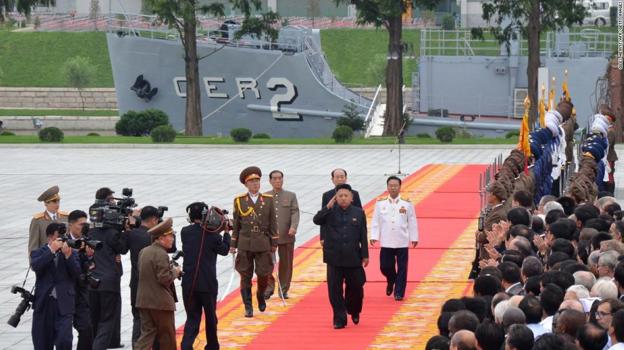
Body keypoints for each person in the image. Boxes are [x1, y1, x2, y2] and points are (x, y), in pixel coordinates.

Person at [313, 183, 369, 329]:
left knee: (356, 287)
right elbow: (316, 220)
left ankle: (354, 310)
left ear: (352, 198)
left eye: (346, 196)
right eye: (340, 196)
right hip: (334, 258)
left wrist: (365, 255)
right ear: (335, 198)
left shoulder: (358, 212)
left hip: (353, 257)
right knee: (334, 290)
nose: (343, 198)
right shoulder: (330, 211)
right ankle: (339, 318)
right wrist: (327, 207)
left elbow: (363, 235)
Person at [180, 202, 231, 350]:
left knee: (192, 317)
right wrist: (226, 232)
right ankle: (212, 346)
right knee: (210, 318)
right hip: (207, 284)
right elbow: (224, 250)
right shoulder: (212, 235)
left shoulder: (185, 232)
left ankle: (186, 346)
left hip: (189, 283)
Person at [230, 166, 278, 317]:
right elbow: (236, 224)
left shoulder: (268, 200)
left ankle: (260, 295)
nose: (255, 184)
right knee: (245, 275)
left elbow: (273, 223)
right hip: (245, 243)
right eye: (252, 182)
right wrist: (233, 244)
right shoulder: (239, 201)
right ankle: (248, 306)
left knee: (264, 274)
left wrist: (274, 242)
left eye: (257, 181)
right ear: (246, 184)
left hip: (263, 243)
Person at [87, 189, 129, 350]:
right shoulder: (112, 233)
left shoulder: (90, 231)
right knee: (108, 319)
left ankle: (100, 344)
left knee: (95, 318)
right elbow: (124, 248)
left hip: (92, 281)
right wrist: (125, 231)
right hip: (109, 281)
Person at [31, 222, 81, 350]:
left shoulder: (71, 252)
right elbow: (36, 266)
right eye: (57, 237)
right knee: (42, 341)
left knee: (64, 340)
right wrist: (51, 250)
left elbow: (76, 273)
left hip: (64, 302)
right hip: (44, 303)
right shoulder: (39, 252)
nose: (61, 241)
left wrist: (68, 255)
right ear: (49, 238)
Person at [370, 176, 418, 301]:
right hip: (386, 240)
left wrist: (414, 237)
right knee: (384, 266)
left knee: (402, 268)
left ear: (400, 187)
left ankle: (399, 292)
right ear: (387, 187)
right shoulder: (380, 203)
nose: (393, 188)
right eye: (390, 185)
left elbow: (412, 221)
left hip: (402, 240)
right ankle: (391, 280)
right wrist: (374, 236)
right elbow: (375, 221)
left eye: (395, 185)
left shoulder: (406, 203)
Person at [135, 218, 181, 350]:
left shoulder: (144, 251)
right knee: (167, 337)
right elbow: (164, 279)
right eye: (170, 236)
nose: (172, 239)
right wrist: (175, 272)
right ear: (161, 238)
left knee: (147, 335)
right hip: (160, 303)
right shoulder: (161, 253)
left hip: (144, 300)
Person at [125, 205, 162, 348]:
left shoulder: (132, 234)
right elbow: (171, 248)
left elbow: (122, 248)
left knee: (137, 318)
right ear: (153, 219)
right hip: (152, 284)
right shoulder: (154, 236)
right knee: (154, 319)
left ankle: (136, 346)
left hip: (135, 282)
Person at [264, 170, 300, 300]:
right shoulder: (265, 196)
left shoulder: (290, 195)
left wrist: (293, 227)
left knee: (286, 264)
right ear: (270, 181)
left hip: (286, 235)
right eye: (274, 178)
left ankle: (283, 289)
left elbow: (295, 212)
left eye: (280, 178)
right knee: (266, 263)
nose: (277, 181)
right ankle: (268, 287)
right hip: (269, 237)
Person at [66, 210, 95, 350]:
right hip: (65, 293)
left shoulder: (87, 240)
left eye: (85, 224)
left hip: (81, 293)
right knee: (63, 335)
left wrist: (89, 257)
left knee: (87, 330)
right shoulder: (63, 241)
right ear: (71, 225)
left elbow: (90, 266)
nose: (83, 227)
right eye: (80, 224)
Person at [29, 185, 68, 253]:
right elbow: (33, 247)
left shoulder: (65, 218)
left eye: (58, 201)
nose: (57, 204)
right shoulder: (38, 221)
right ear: (46, 203)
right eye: (54, 202)